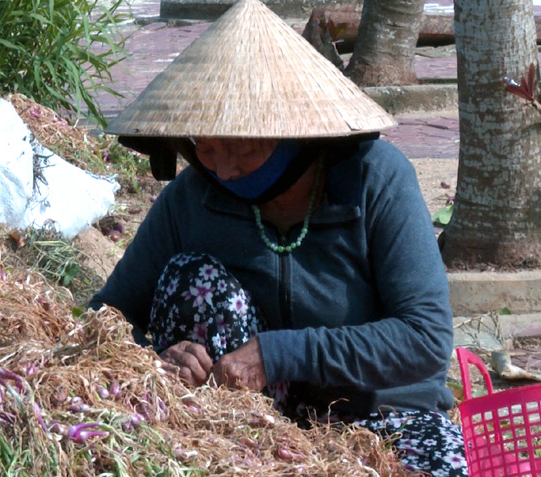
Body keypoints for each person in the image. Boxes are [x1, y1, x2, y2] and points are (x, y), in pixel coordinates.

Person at [89, 0, 467, 475]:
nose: (224, 168)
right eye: (205, 149)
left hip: (389, 415)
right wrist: (153, 357)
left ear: (299, 137)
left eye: (243, 147)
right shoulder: (192, 199)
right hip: (258, 425)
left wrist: (279, 353)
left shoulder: (377, 181)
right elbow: (104, 318)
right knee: (193, 276)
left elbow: (425, 338)